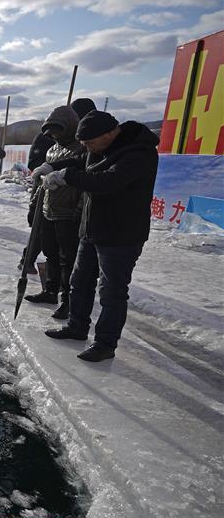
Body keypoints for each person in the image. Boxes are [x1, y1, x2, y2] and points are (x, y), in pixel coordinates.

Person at [42, 110, 158, 362]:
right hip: (92, 229)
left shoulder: (139, 153)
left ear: (110, 133)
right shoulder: (98, 148)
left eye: (90, 142)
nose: (87, 148)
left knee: (111, 291)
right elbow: (79, 160)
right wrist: (51, 167)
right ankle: (76, 326)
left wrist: (67, 177)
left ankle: (105, 344)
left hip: (121, 234)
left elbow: (108, 181)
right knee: (79, 281)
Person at [25, 106, 86, 320]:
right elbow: (41, 184)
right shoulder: (51, 150)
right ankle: (50, 290)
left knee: (67, 259)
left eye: (57, 130)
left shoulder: (81, 150)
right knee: (50, 252)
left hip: (68, 212)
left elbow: (85, 186)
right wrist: (34, 206)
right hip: (48, 209)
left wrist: (79, 211)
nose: (54, 135)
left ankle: (67, 300)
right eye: (51, 131)